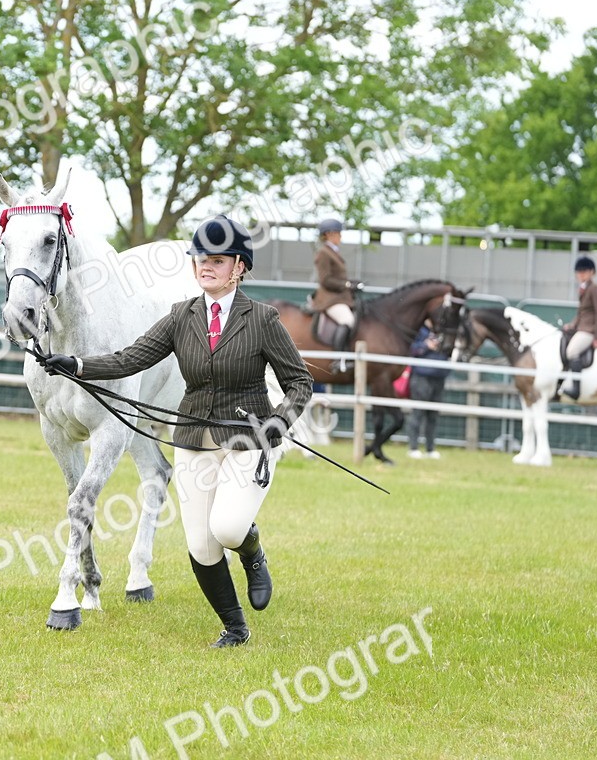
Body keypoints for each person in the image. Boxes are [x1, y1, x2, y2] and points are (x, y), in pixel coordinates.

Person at [39, 216, 313, 649]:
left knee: (226, 529)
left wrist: (280, 421)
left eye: (218, 261)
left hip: (246, 439)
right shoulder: (181, 317)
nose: (206, 267)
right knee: (201, 547)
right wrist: (78, 367)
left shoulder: (263, 319)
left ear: (239, 267)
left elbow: (300, 382)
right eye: (201, 259)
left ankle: (252, 550)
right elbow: (131, 359)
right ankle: (235, 627)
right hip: (193, 441)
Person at [311, 218, 363, 372]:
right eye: (338, 233)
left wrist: (353, 283)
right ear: (329, 234)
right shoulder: (323, 253)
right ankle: (339, 359)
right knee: (347, 320)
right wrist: (346, 285)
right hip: (329, 298)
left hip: (339, 297)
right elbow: (325, 280)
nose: (341, 236)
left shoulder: (333, 252)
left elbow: (339, 278)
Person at [558, 256, 597, 400]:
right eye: (579, 271)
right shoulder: (583, 288)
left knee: (572, 351)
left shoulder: (595, 289)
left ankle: (576, 389)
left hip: (590, 330)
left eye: (584, 271)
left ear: (592, 272)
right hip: (582, 327)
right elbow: (582, 313)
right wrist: (571, 325)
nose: (581, 274)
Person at [407, 318, 451, 459]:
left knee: (433, 416)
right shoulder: (418, 330)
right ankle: (413, 447)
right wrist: (426, 346)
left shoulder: (444, 332)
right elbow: (410, 349)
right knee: (417, 413)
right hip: (421, 377)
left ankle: (430, 449)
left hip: (439, 377)